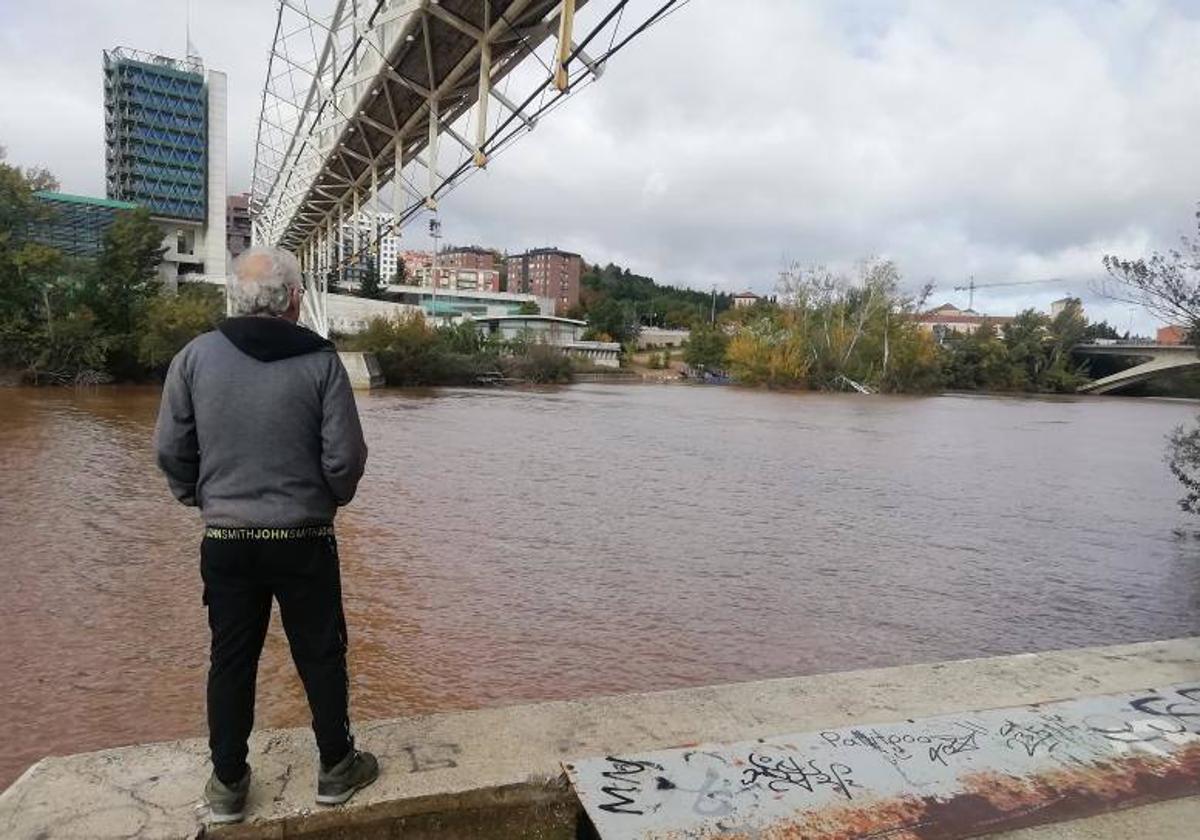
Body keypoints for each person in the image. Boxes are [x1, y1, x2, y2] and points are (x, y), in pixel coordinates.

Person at [154, 247, 378, 824]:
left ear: (238, 297)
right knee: (320, 654)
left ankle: (228, 782)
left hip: (226, 540)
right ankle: (336, 767)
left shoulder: (194, 358)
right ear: (293, 300)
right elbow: (346, 457)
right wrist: (329, 498)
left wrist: (202, 499)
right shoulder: (321, 362)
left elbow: (170, 450)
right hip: (303, 536)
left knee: (230, 658)